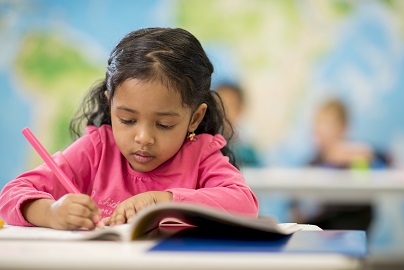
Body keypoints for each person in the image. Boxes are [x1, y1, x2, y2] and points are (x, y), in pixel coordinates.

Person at [0, 28, 258, 230]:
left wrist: (161, 201)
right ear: (110, 105)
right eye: (127, 120)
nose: (143, 138)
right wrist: (52, 212)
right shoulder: (98, 149)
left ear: (194, 118)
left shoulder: (200, 156)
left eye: (164, 124)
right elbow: (10, 195)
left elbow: (245, 205)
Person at [297, 98, 390, 230]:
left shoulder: (359, 154)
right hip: (321, 222)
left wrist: (364, 155)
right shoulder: (314, 161)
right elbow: (299, 200)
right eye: (317, 123)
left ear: (343, 127)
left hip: (352, 218)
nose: (318, 129)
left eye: (326, 123)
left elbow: (387, 161)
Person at [215, 82, 260, 167]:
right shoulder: (207, 139)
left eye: (229, 106)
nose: (223, 112)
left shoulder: (246, 144)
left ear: (239, 109)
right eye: (218, 105)